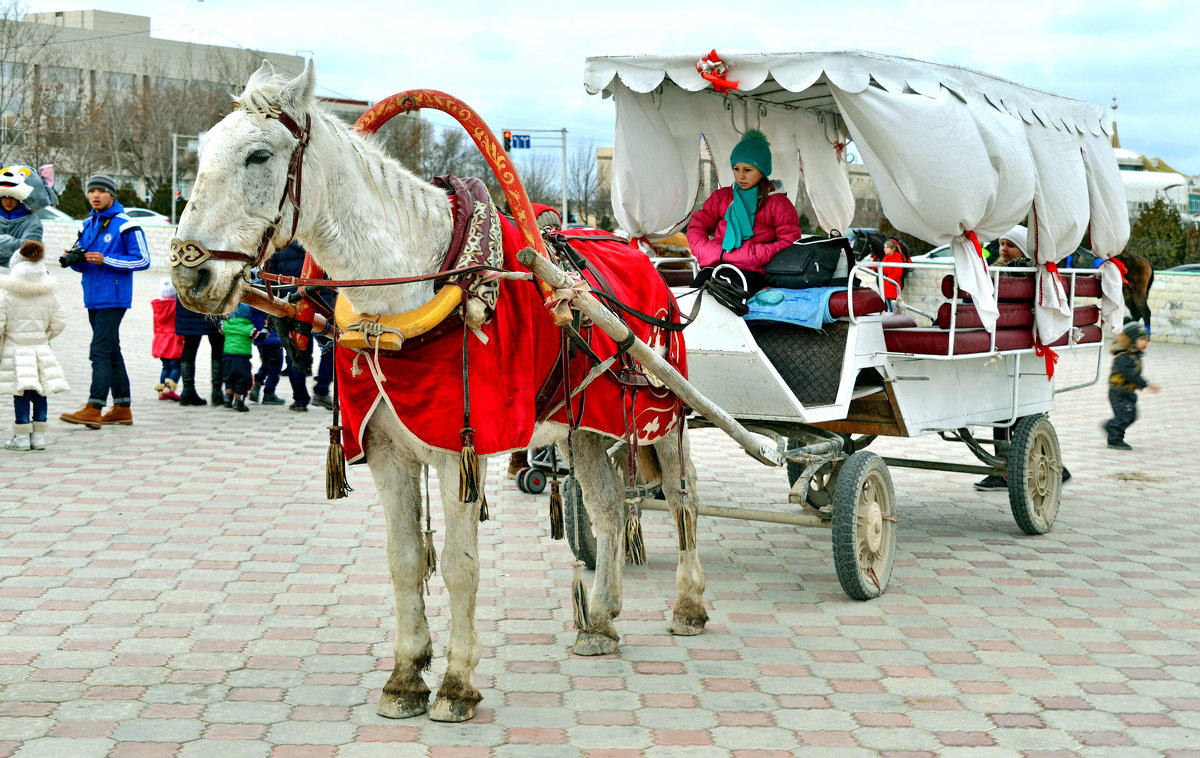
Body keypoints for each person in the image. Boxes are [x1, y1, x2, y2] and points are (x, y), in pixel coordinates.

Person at [974, 224, 1071, 490]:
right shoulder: (1022, 273)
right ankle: (1045, 465)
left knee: (1012, 412)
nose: (1004, 249)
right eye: (1002, 244)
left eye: (1010, 245)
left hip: (1015, 345)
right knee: (1019, 410)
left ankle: (1009, 468)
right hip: (1016, 345)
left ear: (1024, 249)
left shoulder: (1015, 272)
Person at [59, 174, 150, 429]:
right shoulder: (86, 224)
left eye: (101, 190)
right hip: (92, 296)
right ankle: (122, 407)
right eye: (92, 191)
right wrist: (75, 260)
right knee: (111, 350)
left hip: (114, 297)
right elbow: (85, 266)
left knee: (99, 351)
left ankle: (94, 407)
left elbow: (143, 260)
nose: (95, 195)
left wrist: (107, 260)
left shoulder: (125, 224)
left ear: (112, 194)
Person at [686, 129, 801, 293]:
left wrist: (757, 254)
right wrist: (703, 249)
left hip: (751, 272)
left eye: (747, 170)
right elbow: (698, 225)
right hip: (713, 266)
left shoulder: (777, 202)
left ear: (762, 170)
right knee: (693, 304)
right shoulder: (722, 197)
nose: (740, 176)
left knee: (724, 307)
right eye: (736, 168)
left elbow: (790, 241)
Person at [0, 241, 68, 450]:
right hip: (40, 348)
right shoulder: (50, 294)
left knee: (20, 392)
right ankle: (38, 437)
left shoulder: (6, 294)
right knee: (40, 392)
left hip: (15, 348)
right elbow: (59, 322)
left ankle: (20, 437)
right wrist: (44, 337)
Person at [1104, 321, 1160, 450]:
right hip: (1118, 392)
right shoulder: (1123, 357)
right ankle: (1114, 440)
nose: (1145, 342)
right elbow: (1130, 374)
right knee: (1124, 416)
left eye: (1147, 339)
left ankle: (1110, 426)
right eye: (1142, 339)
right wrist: (1146, 384)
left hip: (1128, 391)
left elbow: (1133, 374)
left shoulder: (1134, 355)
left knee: (1131, 415)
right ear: (1131, 340)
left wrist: (1136, 385)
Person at [0, 163, 55, 269]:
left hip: (20, 272)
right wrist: (17, 243)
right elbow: (22, 245)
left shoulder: (32, 221)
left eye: (12, 197)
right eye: (4, 197)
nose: (8, 201)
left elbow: (31, 248)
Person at [175, 296, 225, 407]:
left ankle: (188, 390)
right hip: (213, 300)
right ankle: (217, 392)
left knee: (189, 346)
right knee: (218, 346)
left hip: (189, 302)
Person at [151, 279, 184, 401]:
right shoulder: (177, 306)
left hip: (160, 339)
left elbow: (155, 326)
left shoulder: (158, 307)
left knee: (165, 366)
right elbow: (179, 324)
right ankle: (168, 389)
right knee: (176, 366)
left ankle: (161, 392)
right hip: (173, 340)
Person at [219, 303, 255, 412]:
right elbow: (258, 336)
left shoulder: (226, 325)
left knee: (229, 377)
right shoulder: (249, 328)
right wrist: (266, 330)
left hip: (227, 356)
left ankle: (228, 397)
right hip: (242, 358)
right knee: (242, 380)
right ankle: (239, 401)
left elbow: (220, 329)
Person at [248, 307, 284, 405]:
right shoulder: (268, 296)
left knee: (266, 364)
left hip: (260, 337)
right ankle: (269, 393)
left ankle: (256, 387)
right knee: (275, 368)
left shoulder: (251, 298)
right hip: (273, 337)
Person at [880, 237, 910, 311]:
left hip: (893, 286)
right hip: (886, 286)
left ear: (892, 249)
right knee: (888, 307)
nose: (884, 249)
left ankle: (894, 322)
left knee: (893, 308)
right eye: (884, 247)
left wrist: (888, 280)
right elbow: (880, 265)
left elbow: (898, 273)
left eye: (887, 247)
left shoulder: (897, 258)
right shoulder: (886, 257)